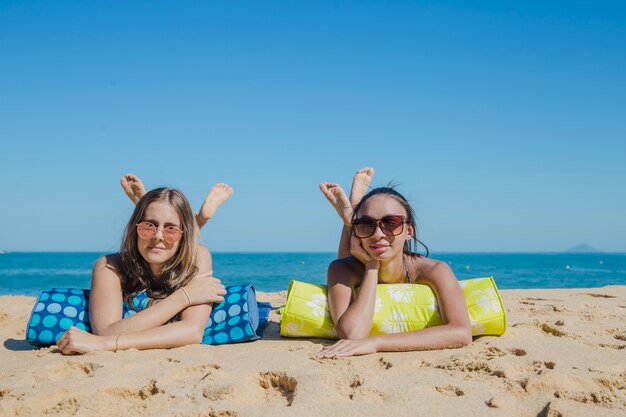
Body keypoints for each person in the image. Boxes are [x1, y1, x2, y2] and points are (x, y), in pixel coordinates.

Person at [317, 168, 472, 358]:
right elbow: (352, 334)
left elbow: (461, 332)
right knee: (350, 255)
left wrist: (377, 342)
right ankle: (352, 215)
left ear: (409, 231)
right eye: (366, 223)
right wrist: (371, 267)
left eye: (391, 222)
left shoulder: (434, 269)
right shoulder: (341, 268)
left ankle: (353, 213)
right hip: (358, 262)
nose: (378, 234)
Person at [57, 187, 227, 354]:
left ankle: (200, 220)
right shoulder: (108, 266)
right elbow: (105, 333)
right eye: (148, 226)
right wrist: (186, 296)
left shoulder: (198, 257)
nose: (158, 236)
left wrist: (103, 345)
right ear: (134, 229)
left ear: (183, 236)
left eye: (171, 229)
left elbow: (192, 332)